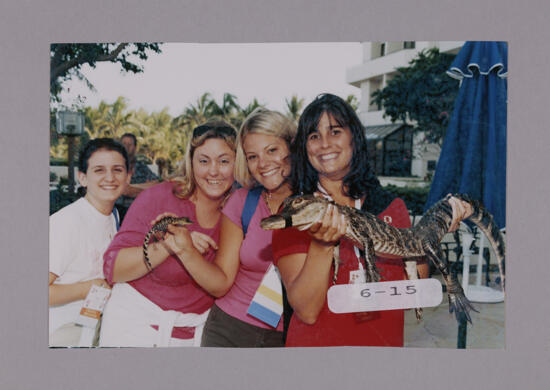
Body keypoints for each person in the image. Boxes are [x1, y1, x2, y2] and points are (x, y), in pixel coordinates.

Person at [271, 93, 472, 347]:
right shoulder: (295, 215)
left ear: (353, 137)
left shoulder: (391, 206)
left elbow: (414, 292)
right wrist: (322, 245)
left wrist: (436, 227)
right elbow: (307, 311)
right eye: (314, 136)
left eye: (335, 132)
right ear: (305, 147)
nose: (324, 144)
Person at [156, 108, 297, 347]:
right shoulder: (243, 202)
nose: (263, 164)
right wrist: (185, 250)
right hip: (230, 329)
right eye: (252, 157)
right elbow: (221, 283)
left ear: (292, 148)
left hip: (290, 335)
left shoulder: (316, 202)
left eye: (272, 150)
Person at [99, 121, 237, 347]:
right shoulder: (159, 197)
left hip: (194, 335)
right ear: (190, 162)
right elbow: (113, 269)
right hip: (134, 329)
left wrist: (187, 251)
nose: (213, 171)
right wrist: (166, 246)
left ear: (237, 163)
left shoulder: (239, 210)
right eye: (203, 160)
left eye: (224, 161)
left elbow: (221, 284)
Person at [49, 138, 131, 347]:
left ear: (128, 176)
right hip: (62, 334)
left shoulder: (114, 218)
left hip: (98, 331)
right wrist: (89, 287)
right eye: (99, 170)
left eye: (117, 169)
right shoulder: (66, 222)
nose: (109, 178)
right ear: (83, 178)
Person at [116, 133, 160, 220]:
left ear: (135, 148)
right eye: (124, 144)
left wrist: (133, 189)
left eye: (130, 144)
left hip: (138, 212)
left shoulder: (142, 168)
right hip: (116, 212)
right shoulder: (113, 167)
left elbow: (157, 185)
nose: (126, 147)